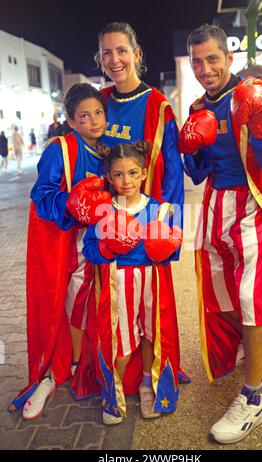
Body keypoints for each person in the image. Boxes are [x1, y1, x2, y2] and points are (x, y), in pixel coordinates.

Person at [179, 24, 262, 444]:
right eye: (197, 61)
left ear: (228, 59)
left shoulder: (255, 93)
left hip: (256, 208)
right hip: (215, 209)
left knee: (252, 297)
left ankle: (252, 399)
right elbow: (198, 172)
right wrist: (191, 146)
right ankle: (253, 348)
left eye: (212, 58)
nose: (205, 68)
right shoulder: (197, 106)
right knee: (223, 297)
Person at [8, 83, 110, 419]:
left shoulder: (110, 148)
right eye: (85, 116)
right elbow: (41, 194)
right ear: (71, 119)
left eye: (98, 113)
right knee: (64, 305)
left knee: (101, 305)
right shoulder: (61, 149)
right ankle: (55, 370)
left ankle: (96, 364)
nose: (94, 121)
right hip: (68, 245)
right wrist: (73, 203)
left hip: (105, 241)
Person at [82, 141, 183, 425]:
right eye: (118, 174)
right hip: (118, 284)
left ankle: (148, 385)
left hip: (153, 282)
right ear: (108, 176)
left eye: (132, 173)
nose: (126, 181)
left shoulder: (160, 209)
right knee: (121, 342)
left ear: (143, 172)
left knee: (153, 334)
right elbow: (89, 250)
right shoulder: (104, 211)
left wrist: (166, 247)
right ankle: (112, 393)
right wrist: (106, 248)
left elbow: (174, 248)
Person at [95, 22, 184, 229]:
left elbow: (173, 174)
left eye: (121, 51)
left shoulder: (159, 106)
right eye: (106, 53)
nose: (114, 60)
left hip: (148, 221)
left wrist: (167, 227)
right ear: (101, 60)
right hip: (107, 220)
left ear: (136, 55)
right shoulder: (99, 102)